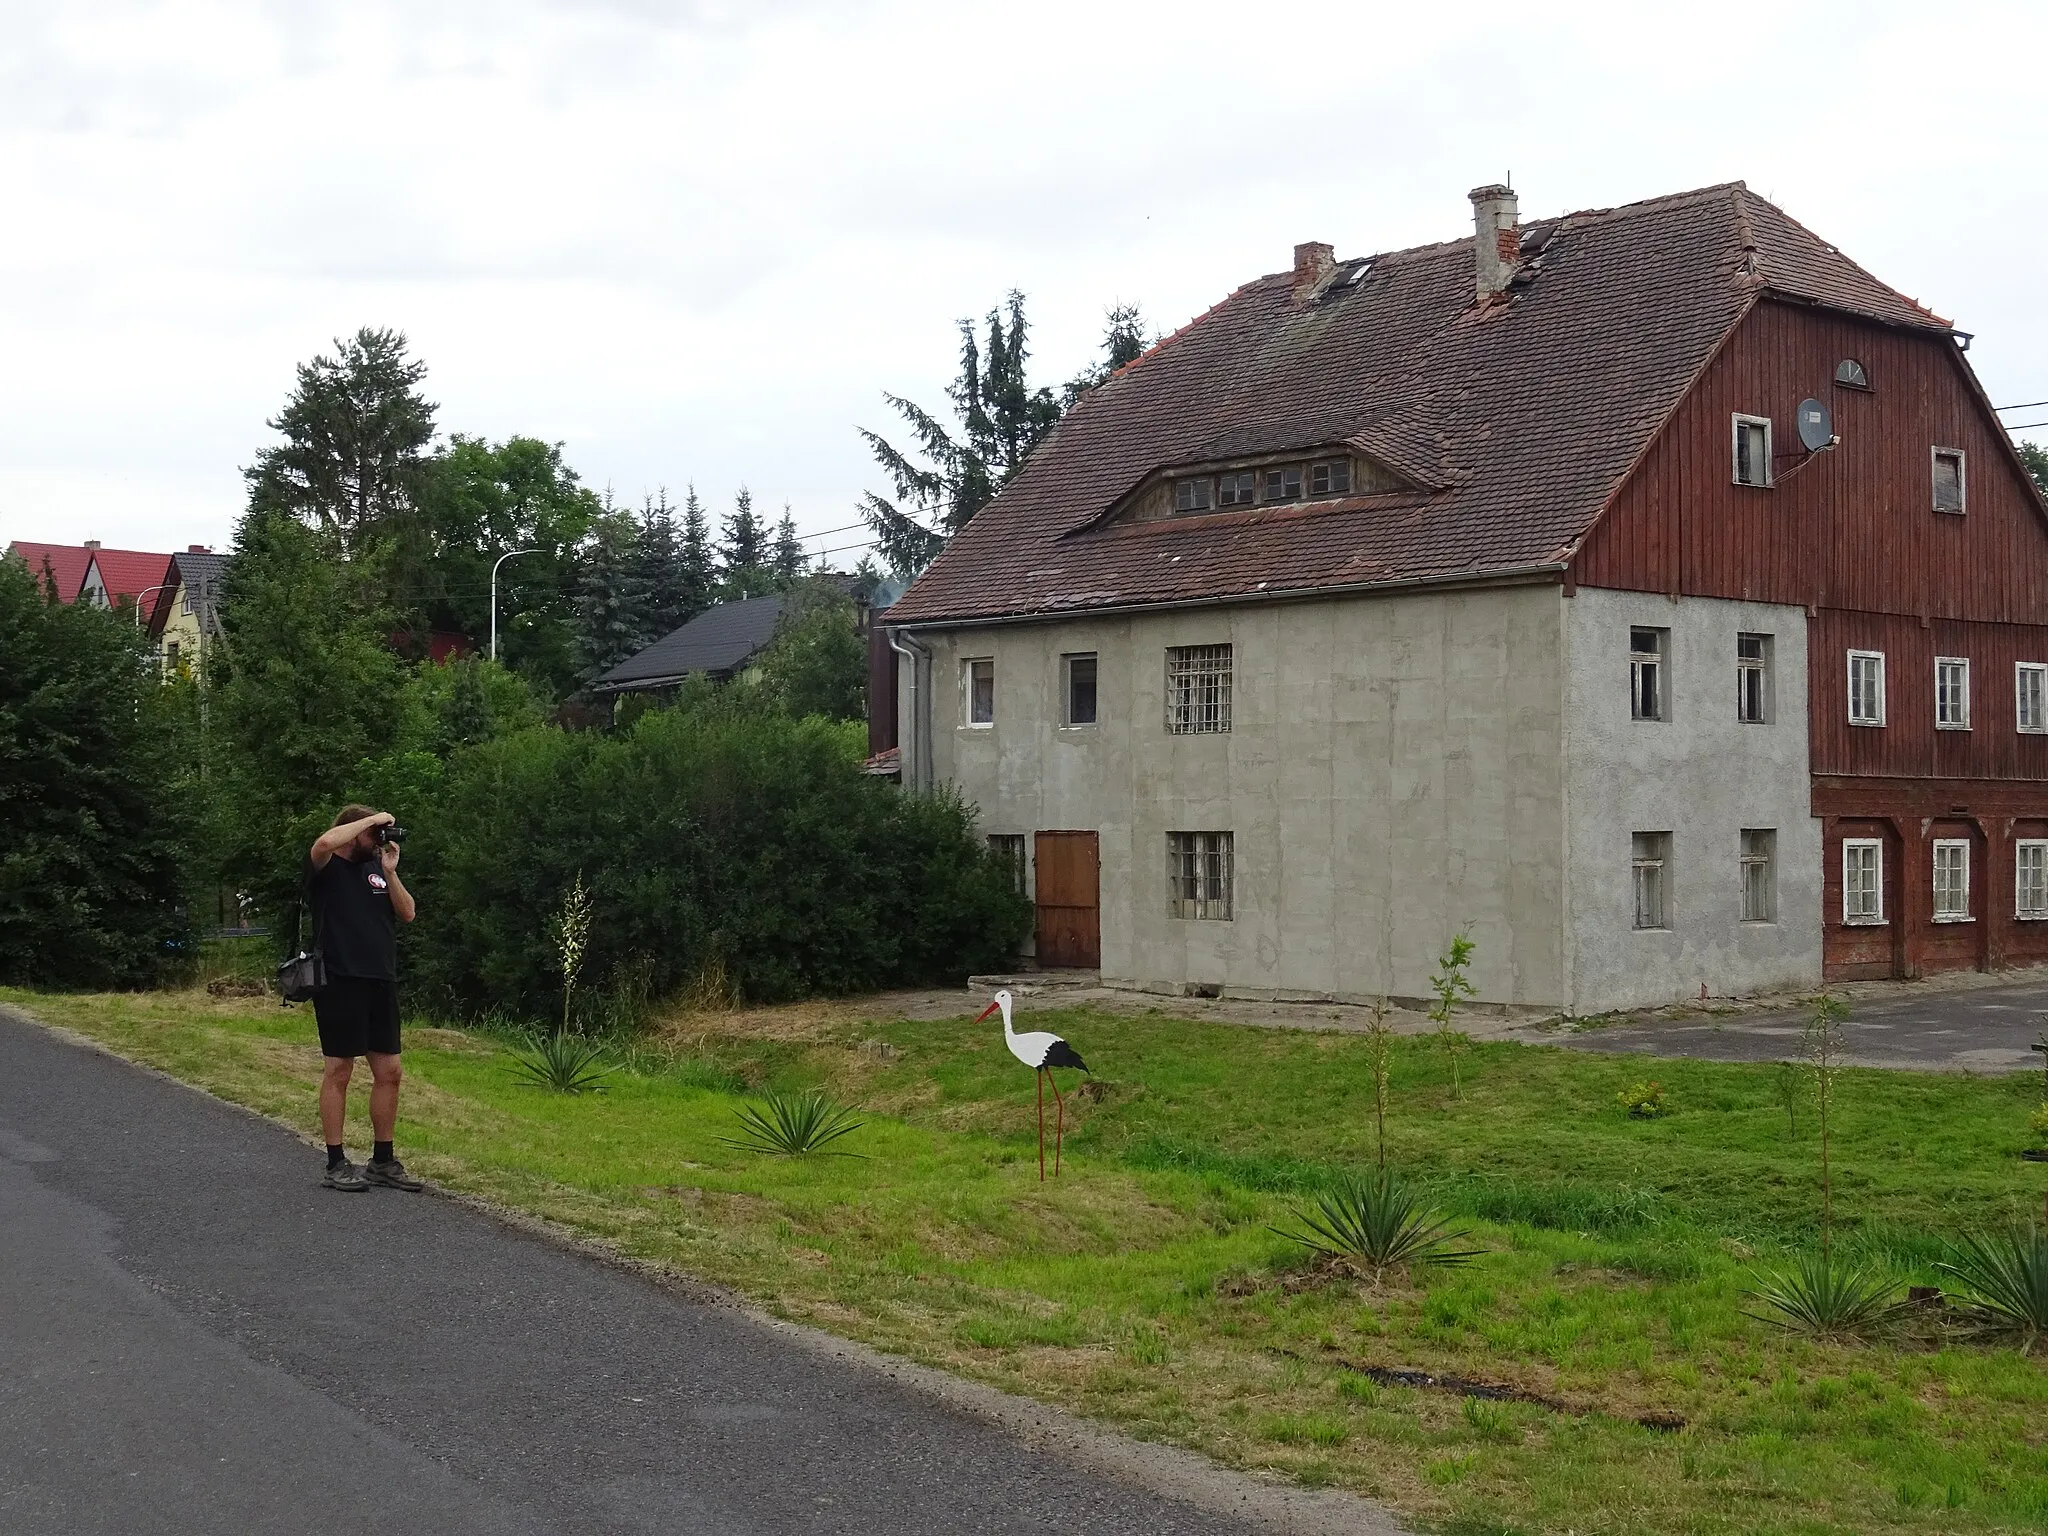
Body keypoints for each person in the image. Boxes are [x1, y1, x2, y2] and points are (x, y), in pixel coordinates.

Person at [305, 805, 421, 1192]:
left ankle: (382, 1161)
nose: (380, 841)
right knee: (340, 1071)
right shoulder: (326, 868)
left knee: (390, 1072)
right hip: (340, 980)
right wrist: (372, 820)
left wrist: (390, 872)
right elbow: (323, 841)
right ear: (354, 831)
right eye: (374, 834)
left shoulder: (377, 870)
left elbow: (407, 914)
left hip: (380, 981)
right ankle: (336, 1162)